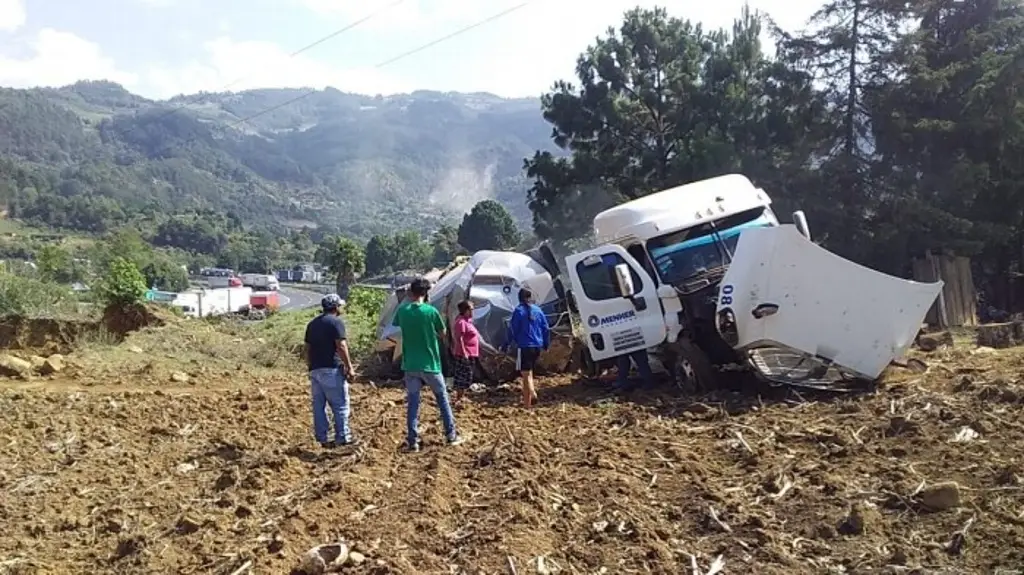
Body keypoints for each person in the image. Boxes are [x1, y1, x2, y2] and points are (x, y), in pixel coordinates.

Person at [392, 278, 464, 452]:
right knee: (442, 398)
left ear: (411, 292)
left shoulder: (403, 311)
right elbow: (442, 333)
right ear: (426, 293)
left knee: (413, 403)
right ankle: (450, 434)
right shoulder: (431, 311)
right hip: (430, 363)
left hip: (410, 365)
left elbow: (397, 325)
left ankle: (413, 441)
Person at [303, 293, 356, 448]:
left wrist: (310, 366)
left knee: (319, 406)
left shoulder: (312, 324)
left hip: (315, 370)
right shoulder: (336, 323)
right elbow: (341, 346)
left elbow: (307, 349)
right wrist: (349, 367)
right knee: (340, 404)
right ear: (336, 307)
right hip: (331, 369)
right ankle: (343, 437)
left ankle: (322, 437)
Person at [503, 288, 550, 408]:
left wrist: (506, 343)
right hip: (537, 346)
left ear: (519, 298)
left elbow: (512, 330)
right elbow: (546, 328)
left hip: (524, 347)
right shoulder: (538, 310)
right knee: (529, 373)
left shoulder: (518, 311)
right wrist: (546, 343)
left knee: (525, 376)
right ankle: (528, 402)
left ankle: (531, 397)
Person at [451, 299, 481, 406]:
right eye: (471, 309)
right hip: (465, 354)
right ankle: (459, 397)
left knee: (467, 375)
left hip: (470, 353)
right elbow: (459, 339)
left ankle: (461, 396)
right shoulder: (461, 322)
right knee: (462, 375)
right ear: (465, 310)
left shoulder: (467, 321)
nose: (473, 312)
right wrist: (464, 353)